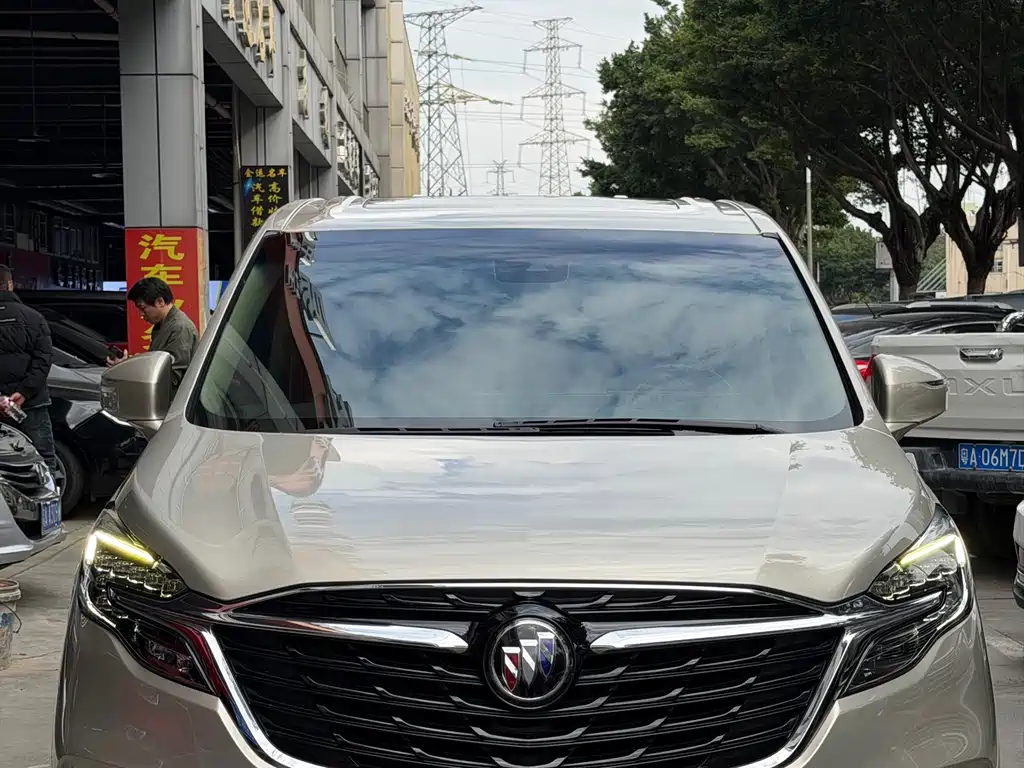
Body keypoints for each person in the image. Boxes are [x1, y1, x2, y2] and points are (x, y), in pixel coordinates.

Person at [0, 265, 57, 472]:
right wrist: (24, 392)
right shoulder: (33, 317)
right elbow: (43, 360)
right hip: (31, 403)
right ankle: (46, 493)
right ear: (10, 284)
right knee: (43, 458)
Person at [107, 277, 199, 393]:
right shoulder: (163, 325)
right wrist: (126, 365)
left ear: (160, 302)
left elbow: (171, 376)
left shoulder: (180, 328)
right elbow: (156, 364)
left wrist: (130, 370)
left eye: (143, 308)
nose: (141, 314)